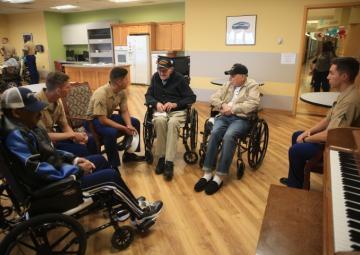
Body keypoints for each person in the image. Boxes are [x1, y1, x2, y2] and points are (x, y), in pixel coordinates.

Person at [0, 87, 163, 226]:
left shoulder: (27, 126)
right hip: (53, 188)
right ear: (17, 112)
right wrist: (75, 169)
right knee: (110, 176)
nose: (38, 112)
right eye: (33, 109)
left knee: (99, 160)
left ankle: (117, 203)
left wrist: (74, 159)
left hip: (56, 175)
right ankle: (140, 216)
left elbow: (49, 152)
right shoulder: (16, 136)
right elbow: (36, 169)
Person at [280, 57, 360, 188]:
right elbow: (327, 119)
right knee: (297, 134)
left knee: (295, 150)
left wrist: (307, 139)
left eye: (331, 73)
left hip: (339, 145)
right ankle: (297, 179)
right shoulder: (345, 93)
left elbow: (333, 134)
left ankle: (295, 186)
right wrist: (307, 132)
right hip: (333, 138)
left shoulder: (350, 101)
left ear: (344, 76)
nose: (328, 77)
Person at [194, 63, 260, 195]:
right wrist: (223, 105)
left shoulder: (252, 85)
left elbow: (253, 103)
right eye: (230, 76)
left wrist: (233, 109)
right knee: (215, 133)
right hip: (224, 116)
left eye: (233, 76)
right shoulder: (228, 84)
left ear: (242, 77)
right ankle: (207, 173)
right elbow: (213, 98)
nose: (230, 79)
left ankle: (219, 176)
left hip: (241, 119)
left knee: (229, 136)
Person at [145, 58, 196, 181]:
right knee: (159, 121)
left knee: (173, 123)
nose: (161, 72)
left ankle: (169, 162)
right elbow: (148, 95)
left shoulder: (179, 79)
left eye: (165, 70)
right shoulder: (155, 77)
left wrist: (175, 104)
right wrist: (156, 103)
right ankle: (161, 158)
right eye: (159, 69)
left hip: (177, 111)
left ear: (171, 69)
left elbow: (191, 97)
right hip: (160, 111)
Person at [87, 67, 145, 170]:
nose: (129, 81)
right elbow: (102, 120)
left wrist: (129, 125)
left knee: (135, 122)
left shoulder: (121, 91)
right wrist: (124, 128)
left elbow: (124, 110)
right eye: (127, 78)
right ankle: (113, 165)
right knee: (111, 133)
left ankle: (129, 154)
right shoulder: (101, 93)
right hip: (93, 121)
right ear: (119, 81)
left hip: (107, 117)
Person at [36, 71, 96, 157]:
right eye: (67, 87)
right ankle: (89, 165)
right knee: (82, 150)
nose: (70, 89)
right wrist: (73, 135)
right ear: (58, 90)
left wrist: (75, 138)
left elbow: (64, 125)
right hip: (44, 144)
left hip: (56, 137)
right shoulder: (36, 103)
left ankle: (95, 164)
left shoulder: (57, 99)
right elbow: (43, 136)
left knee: (90, 140)